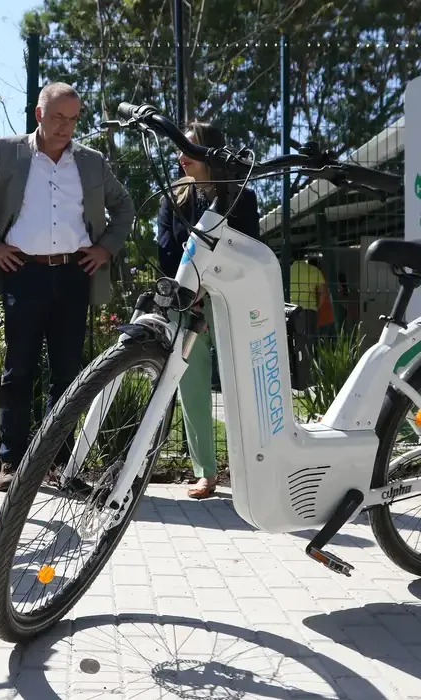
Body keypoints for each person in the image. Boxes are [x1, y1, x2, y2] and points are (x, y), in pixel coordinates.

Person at [0, 81, 135, 492]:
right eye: (57, 118)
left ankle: (56, 465)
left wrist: (106, 248)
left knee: (69, 375)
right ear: (39, 114)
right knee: (19, 371)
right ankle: (12, 462)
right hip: (23, 272)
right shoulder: (7, 151)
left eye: (72, 120)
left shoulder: (91, 162)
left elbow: (123, 206)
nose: (65, 128)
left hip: (75, 276)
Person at [155, 121, 261, 499]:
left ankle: (253, 469)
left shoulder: (241, 198)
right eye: (180, 148)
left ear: (210, 153)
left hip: (230, 300)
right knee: (192, 386)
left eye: (190, 148)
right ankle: (206, 473)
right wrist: (191, 288)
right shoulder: (173, 197)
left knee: (242, 385)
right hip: (185, 303)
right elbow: (167, 252)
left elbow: (248, 251)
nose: (181, 156)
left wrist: (212, 285)